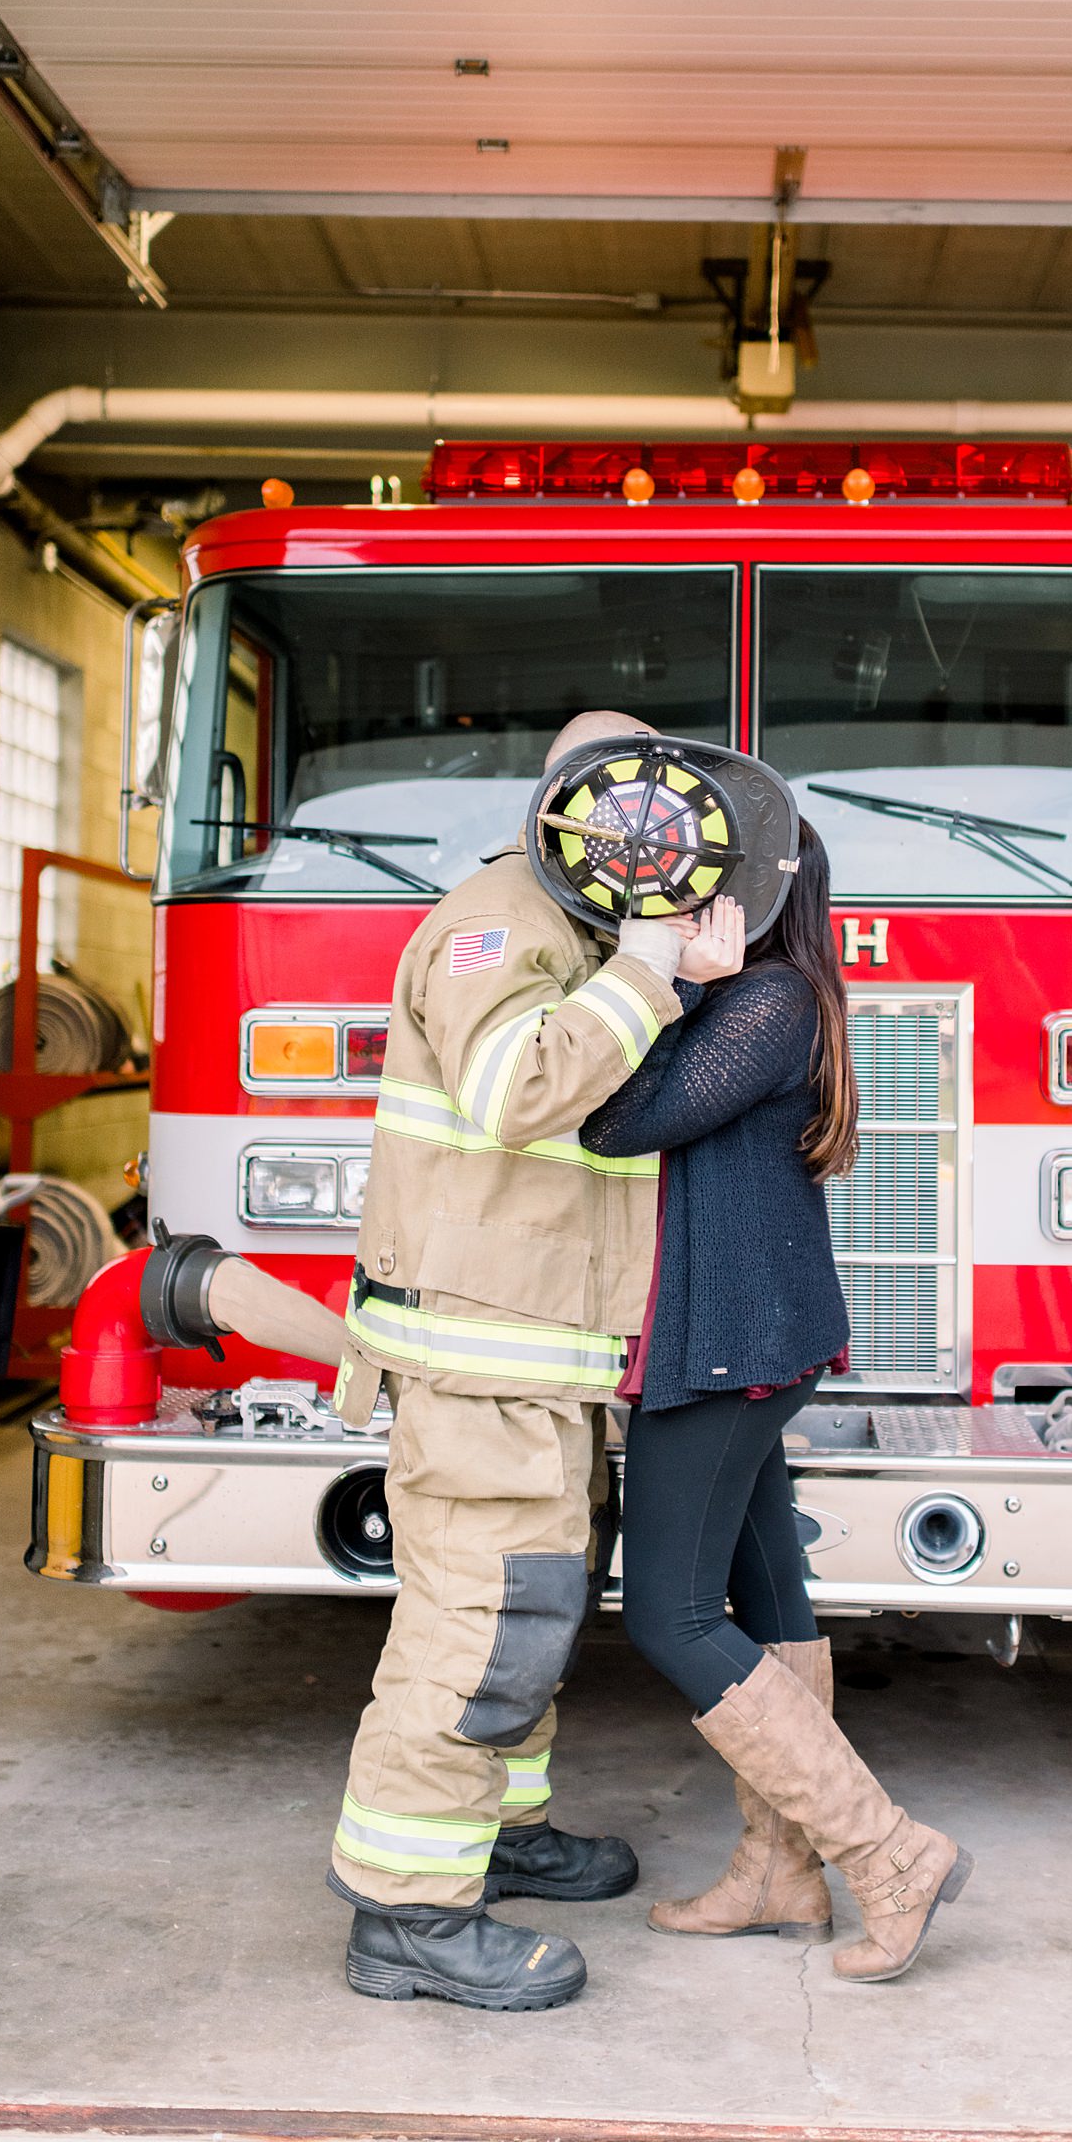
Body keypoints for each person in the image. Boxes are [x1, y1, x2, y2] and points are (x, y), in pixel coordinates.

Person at [327, 709, 716, 2013]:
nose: (641, 833)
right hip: (477, 1367)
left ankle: (499, 1836)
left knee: (528, 1625)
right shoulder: (503, 921)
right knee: (472, 1636)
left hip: (540, 1368)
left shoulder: (580, 930)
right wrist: (649, 971)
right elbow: (511, 1092)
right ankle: (409, 1919)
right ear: (565, 803)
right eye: (616, 807)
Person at [581, 824, 974, 1985]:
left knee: (670, 1615)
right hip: (751, 1335)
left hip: (727, 1345)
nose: (665, 900)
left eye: (691, 883)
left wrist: (661, 979)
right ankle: (778, 1871)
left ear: (745, 895)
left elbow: (616, 1120)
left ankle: (886, 1853)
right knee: (765, 1596)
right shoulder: (773, 998)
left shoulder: (763, 1004)